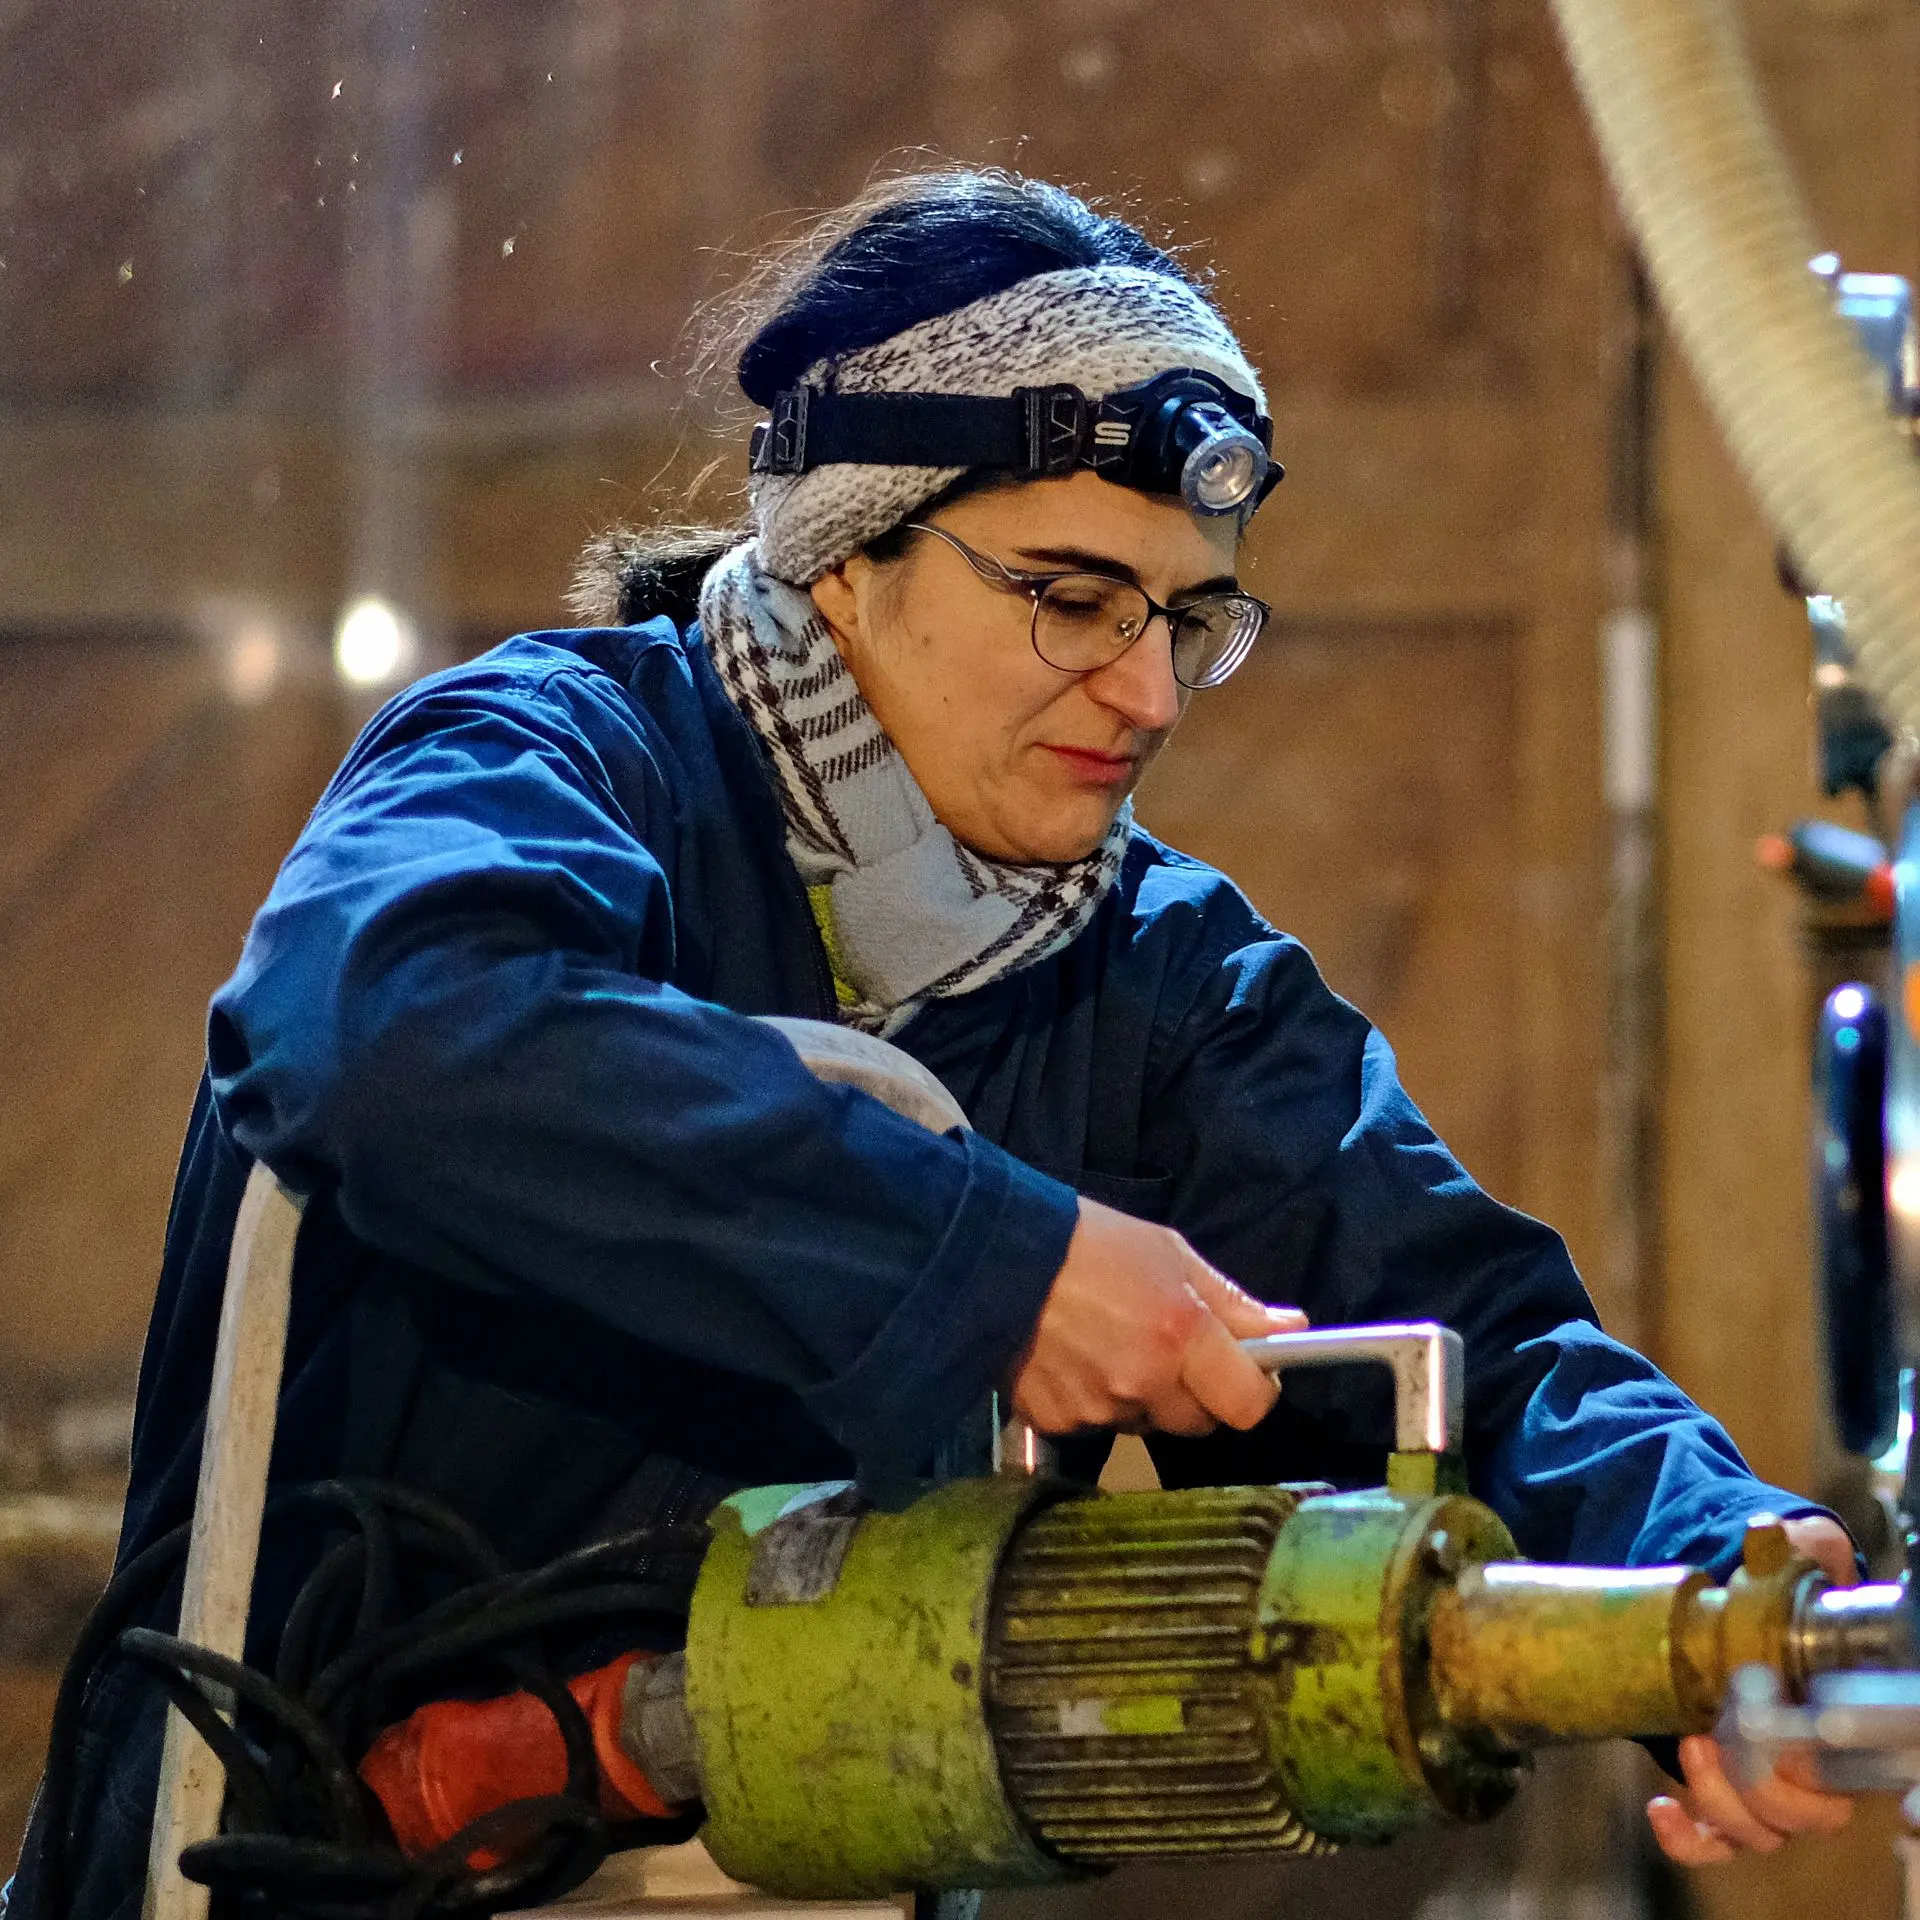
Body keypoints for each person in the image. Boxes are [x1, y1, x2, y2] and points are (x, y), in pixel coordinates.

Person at [14, 168, 1859, 1917]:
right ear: (843, 550)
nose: (1144, 689)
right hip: (275, 1854)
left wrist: (1719, 1579)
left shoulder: (1152, 973)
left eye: (1192, 618)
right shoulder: (557, 761)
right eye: (1070, 597)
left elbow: (1476, 1356)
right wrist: (1001, 1263)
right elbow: (380, 1026)